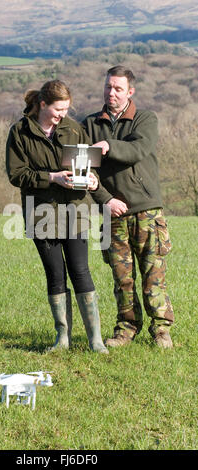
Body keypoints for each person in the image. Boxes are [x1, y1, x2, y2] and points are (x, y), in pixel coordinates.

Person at [6, 79, 109, 353]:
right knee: (55, 275)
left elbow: (88, 165)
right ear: (42, 104)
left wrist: (91, 181)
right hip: (42, 214)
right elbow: (16, 175)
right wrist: (51, 178)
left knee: (81, 272)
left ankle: (94, 339)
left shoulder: (74, 129)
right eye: (57, 109)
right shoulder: (20, 132)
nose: (62, 114)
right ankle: (62, 338)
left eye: (65, 109)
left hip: (75, 211)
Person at [83, 65, 174, 349]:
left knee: (153, 274)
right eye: (109, 87)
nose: (112, 93)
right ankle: (125, 328)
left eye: (118, 88)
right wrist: (106, 200)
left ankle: (160, 330)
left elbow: (138, 150)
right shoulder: (89, 124)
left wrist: (108, 146)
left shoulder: (145, 119)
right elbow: (85, 171)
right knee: (122, 278)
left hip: (146, 210)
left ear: (130, 92)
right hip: (112, 212)